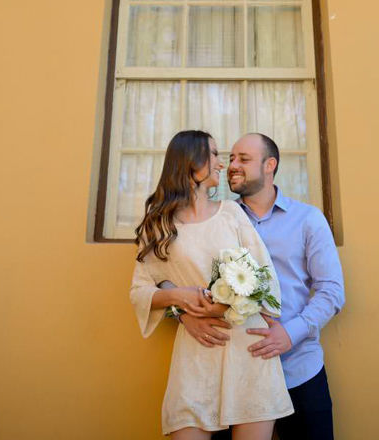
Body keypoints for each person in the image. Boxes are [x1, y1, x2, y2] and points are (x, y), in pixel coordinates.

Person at [129, 130, 294, 439]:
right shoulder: (158, 224)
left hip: (249, 349)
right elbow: (141, 290)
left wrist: (225, 304)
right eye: (215, 155)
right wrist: (180, 302)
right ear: (192, 163)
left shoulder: (231, 213)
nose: (222, 164)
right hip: (197, 351)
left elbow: (264, 277)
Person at [180, 133, 345, 440]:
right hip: (231, 375)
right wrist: (182, 313)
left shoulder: (308, 219)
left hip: (298, 370)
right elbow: (179, 274)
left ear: (270, 165)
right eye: (230, 159)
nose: (232, 166)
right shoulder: (215, 219)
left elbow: (332, 291)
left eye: (243, 159)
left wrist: (290, 333)